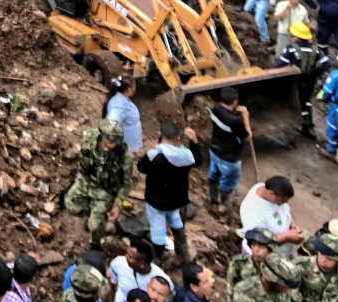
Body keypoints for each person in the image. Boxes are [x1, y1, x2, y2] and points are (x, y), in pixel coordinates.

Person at [137, 119, 199, 266]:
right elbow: (198, 160)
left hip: (156, 202)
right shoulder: (186, 156)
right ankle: (184, 257)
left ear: (161, 135)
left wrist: (155, 149)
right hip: (177, 201)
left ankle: (158, 264)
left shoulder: (154, 156)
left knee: (158, 233)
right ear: (178, 137)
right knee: (177, 224)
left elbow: (141, 167)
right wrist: (195, 142)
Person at [65, 121, 136, 249]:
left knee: (95, 225)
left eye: (115, 142)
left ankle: (96, 245)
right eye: (109, 141)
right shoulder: (90, 140)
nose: (112, 145)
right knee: (70, 205)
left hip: (106, 190)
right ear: (102, 136)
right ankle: (92, 212)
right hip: (87, 180)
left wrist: (117, 204)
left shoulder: (124, 157)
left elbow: (126, 184)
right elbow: (83, 160)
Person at [204, 86, 249, 208]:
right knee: (228, 184)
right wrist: (245, 116)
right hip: (229, 158)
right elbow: (247, 136)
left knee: (214, 175)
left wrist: (234, 112)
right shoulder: (236, 121)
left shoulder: (215, 109)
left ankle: (213, 199)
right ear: (235, 101)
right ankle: (224, 206)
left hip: (214, 150)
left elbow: (226, 118)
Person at [239, 176, 304, 247]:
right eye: (283, 201)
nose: (285, 203)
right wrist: (287, 237)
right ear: (271, 193)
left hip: (287, 235)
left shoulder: (264, 187)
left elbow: (287, 208)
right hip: (274, 247)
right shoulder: (254, 214)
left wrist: (293, 225)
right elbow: (260, 242)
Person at [108, 237, 168, 302]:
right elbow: (112, 287)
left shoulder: (161, 279)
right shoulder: (118, 263)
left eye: (130, 256)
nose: (126, 257)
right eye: (127, 253)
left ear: (142, 264)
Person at [105, 75, 144, 152]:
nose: (135, 89)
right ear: (129, 89)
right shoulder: (120, 107)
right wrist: (113, 145)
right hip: (125, 150)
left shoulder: (120, 98)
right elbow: (112, 126)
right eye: (134, 87)